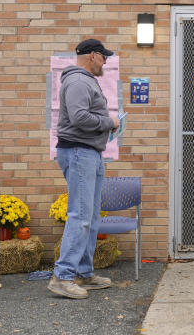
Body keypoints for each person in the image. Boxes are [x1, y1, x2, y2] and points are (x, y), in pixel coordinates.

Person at [48, 39, 120, 300]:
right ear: (93, 55)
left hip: (89, 152)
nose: (106, 62)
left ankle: (83, 273)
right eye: (104, 57)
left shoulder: (85, 79)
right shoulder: (78, 81)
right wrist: (109, 121)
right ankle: (63, 277)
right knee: (80, 215)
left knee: (91, 216)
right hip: (79, 152)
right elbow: (79, 118)